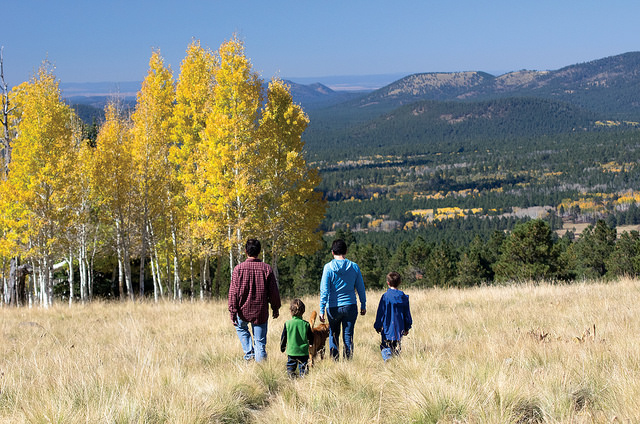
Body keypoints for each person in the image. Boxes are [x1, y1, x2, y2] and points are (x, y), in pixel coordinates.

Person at [228, 239, 281, 362]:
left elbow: (233, 293)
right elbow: (274, 292)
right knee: (260, 342)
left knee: (241, 328)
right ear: (259, 251)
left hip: (242, 310)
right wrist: (275, 308)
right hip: (260, 312)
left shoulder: (238, 269)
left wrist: (232, 311)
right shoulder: (266, 269)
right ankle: (262, 371)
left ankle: (249, 354)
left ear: (245, 251)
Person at [319, 239, 366, 360]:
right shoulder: (354, 267)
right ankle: (348, 362)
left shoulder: (328, 268)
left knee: (333, 334)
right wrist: (363, 304)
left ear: (332, 252)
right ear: (346, 251)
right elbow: (361, 288)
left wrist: (321, 309)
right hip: (350, 305)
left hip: (333, 307)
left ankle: (335, 362)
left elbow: (324, 290)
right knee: (348, 335)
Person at [373, 271, 412, 361]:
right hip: (400, 327)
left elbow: (380, 313)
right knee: (396, 346)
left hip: (387, 327)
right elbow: (407, 314)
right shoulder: (403, 298)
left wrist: (378, 325)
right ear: (400, 283)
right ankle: (395, 362)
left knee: (385, 346)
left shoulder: (385, 297)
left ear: (388, 283)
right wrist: (407, 327)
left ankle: (388, 359)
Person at [280, 299, 313, 377]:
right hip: (303, 351)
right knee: (304, 367)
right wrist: (311, 343)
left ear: (291, 311)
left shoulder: (287, 323)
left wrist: (282, 347)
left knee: (291, 367)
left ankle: (292, 380)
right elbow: (311, 336)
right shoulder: (306, 324)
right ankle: (303, 381)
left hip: (292, 351)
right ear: (303, 311)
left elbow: (283, 337)